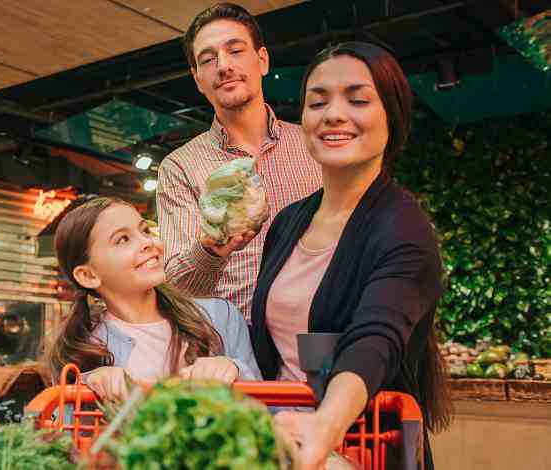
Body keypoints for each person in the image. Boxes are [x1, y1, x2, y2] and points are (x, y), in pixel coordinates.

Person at [248, 42, 451, 470]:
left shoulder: (403, 228)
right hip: (279, 449)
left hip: (361, 452)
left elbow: (375, 339)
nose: (334, 114)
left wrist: (326, 425)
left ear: (391, 116)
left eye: (357, 100)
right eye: (317, 102)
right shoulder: (287, 223)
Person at [157, 2, 321, 322]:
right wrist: (211, 247)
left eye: (235, 50)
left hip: (316, 331)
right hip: (232, 345)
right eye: (208, 59)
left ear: (262, 60)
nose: (223, 66)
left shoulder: (313, 146)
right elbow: (176, 289)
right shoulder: (180, 167)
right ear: (198, 79)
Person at [47, 197, 261, 401]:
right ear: (88, 275)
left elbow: (268, 411)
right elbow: (68, 432)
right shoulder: (82, 351)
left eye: (145, 231)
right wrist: (89, 388)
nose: (147, 242)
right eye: (122, 239)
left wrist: (234, 369)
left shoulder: (220, 315)